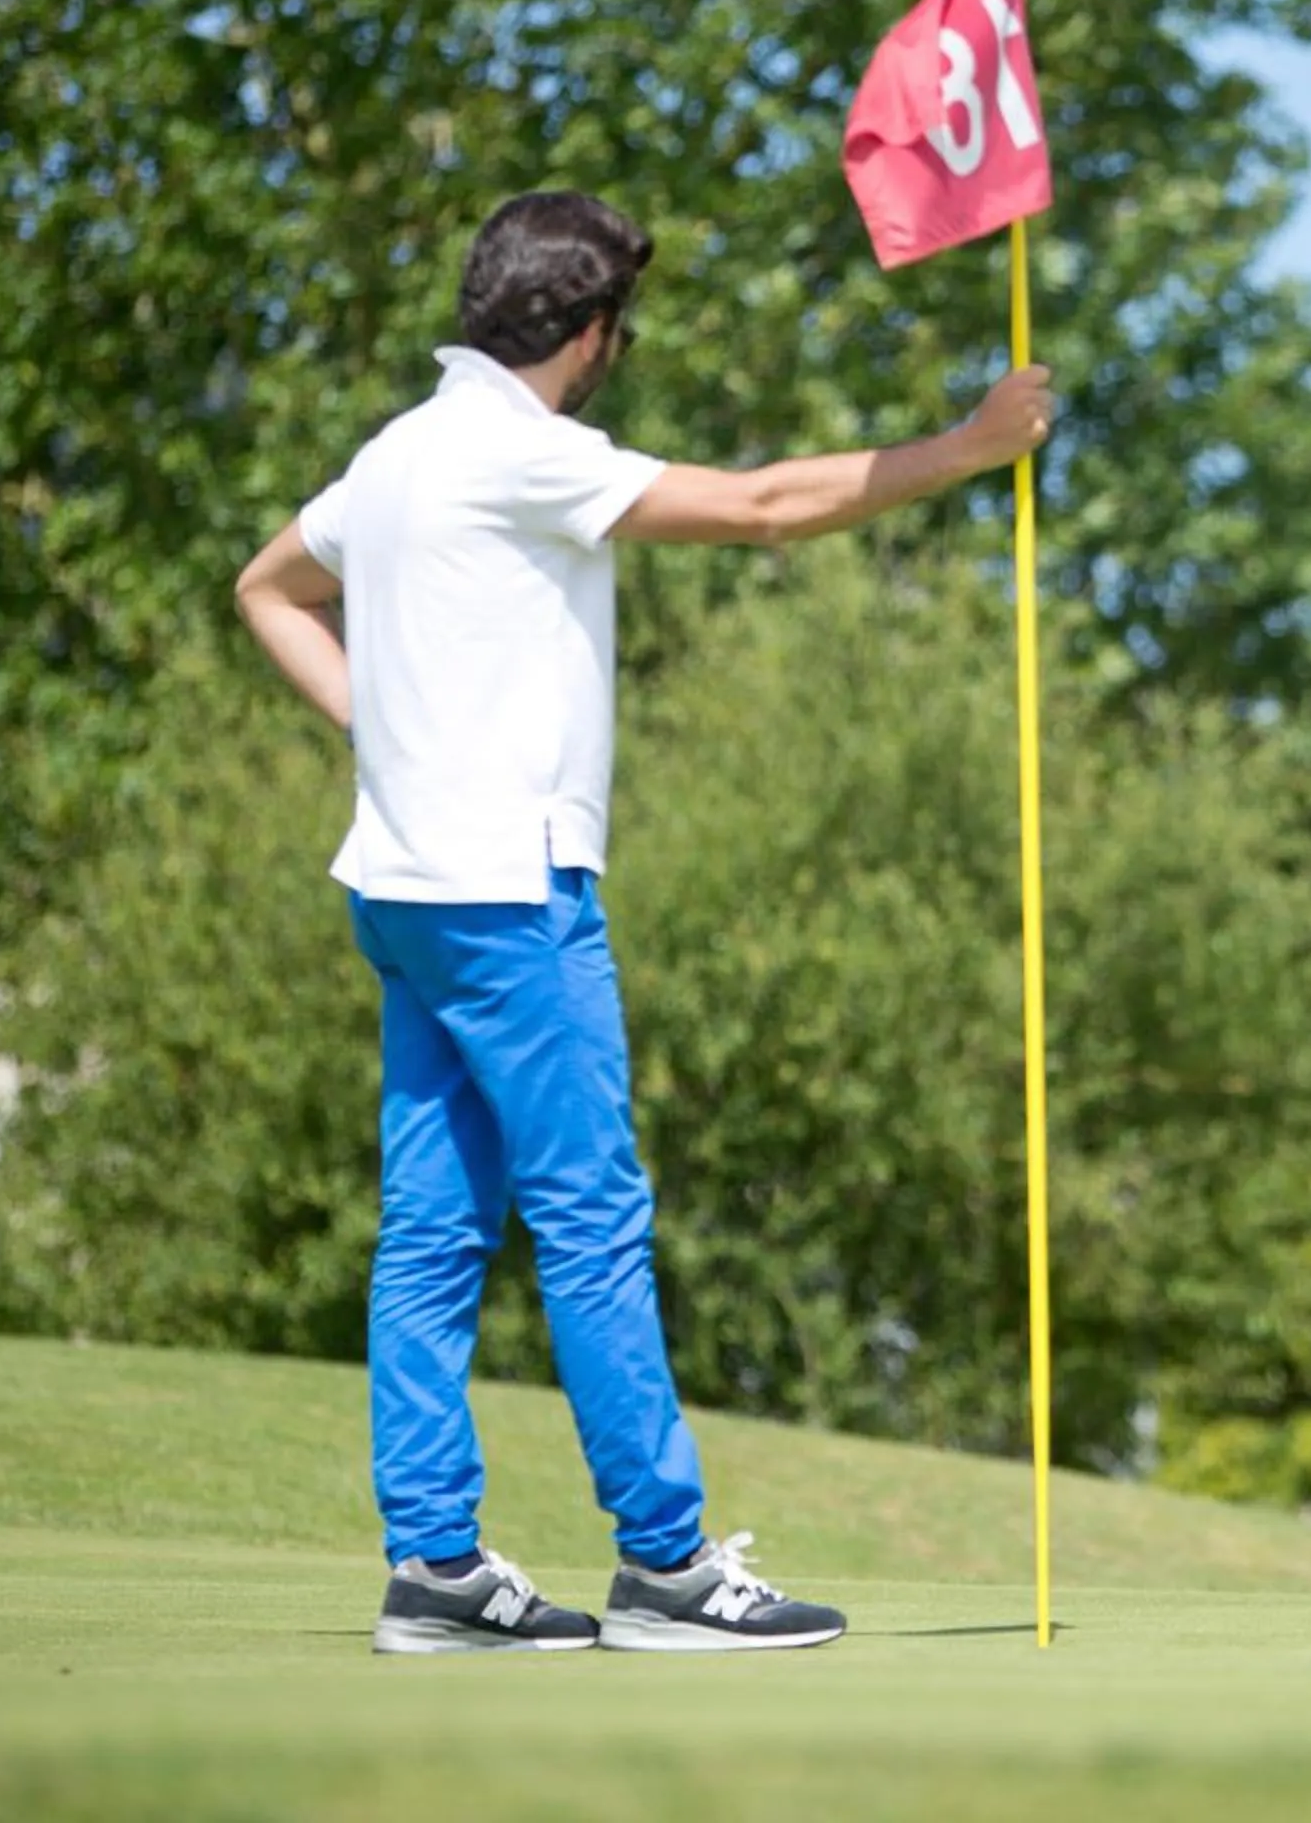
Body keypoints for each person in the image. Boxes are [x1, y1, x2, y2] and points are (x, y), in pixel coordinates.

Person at [233, 190, 1054, 1654]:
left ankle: (435, 1568)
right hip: (510, 896)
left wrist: (387, 734)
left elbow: (267, 589)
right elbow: (762, 508)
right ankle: (667, 1568)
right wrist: (970, 446)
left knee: (432, 1233)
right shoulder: (520, 451)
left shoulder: (399, 451)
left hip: (404, 890)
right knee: (591, 1218)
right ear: (591, 331)